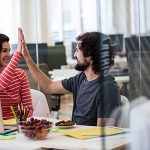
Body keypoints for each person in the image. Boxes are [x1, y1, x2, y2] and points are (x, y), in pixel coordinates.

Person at [20, 29, 121, 126]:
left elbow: (102, 136)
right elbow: (49, 86)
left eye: (77, 50)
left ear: (89, 55)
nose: (74, 54)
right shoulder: (81, 79)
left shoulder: (107, 89)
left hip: (85, 142)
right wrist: (27, 58)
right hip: (75, 137)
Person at [0, 29, 33, 120]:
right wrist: (18, 53)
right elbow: (1, 85)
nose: (8, 54)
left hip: (15, 126)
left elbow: (28, 108)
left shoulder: (20, 74)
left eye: (9, 51)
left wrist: (21, 124)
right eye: (4, 51)